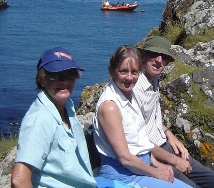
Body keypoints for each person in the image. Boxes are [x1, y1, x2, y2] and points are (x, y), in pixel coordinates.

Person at [93, 45, 192, 188]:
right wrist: (156, 173)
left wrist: (158, 165)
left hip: (141, 168)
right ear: (112, 71)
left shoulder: (130, 95)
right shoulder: (110, 107)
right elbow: (125, 158)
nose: (129, 77)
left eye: (134, 72)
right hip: (124, 176)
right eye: (123, 71)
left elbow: (140, 143)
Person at [135, 36, 214, 188]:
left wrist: (170, 134)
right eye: (153, 55)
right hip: (152, 153)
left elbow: (151, 118)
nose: (158, 60)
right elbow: (137, 139)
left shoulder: (154, 80)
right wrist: (174, 160)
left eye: (164, 57)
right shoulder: (136, 89)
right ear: (143, 56)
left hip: (165, 143)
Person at [11, 47, 96, 188]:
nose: (64, 81)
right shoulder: (40, 119)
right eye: (54, 75)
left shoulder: (67, 107)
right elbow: (19, 180)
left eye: (69, 74)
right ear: (42, 80)